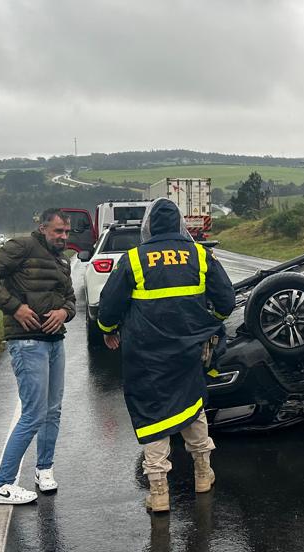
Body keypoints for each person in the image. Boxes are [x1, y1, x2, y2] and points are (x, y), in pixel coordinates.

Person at [98, 198, 235, 513]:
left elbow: (109, 306)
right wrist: (209, 323)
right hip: (190, 351)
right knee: (193, 407)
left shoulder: (134, 259)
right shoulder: (200, 255)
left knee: (153, 415)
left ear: (149, 226)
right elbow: (226, 301)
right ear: (179, 225)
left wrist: (109, 329)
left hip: (147, 356)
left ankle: (159, 492)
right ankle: (203, 475)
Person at [0, 209, 76, 505]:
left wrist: (63, 312)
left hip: (55, 340)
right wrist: (15, 307)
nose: (63, 237)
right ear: (43, 228)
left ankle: (44, 469)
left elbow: (70, 299)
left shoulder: (62, 260)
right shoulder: (21, 247)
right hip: (27, 341)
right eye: (58, 231)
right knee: (33, 413)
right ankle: (1, 484)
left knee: (52, 410)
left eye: (67, 232)